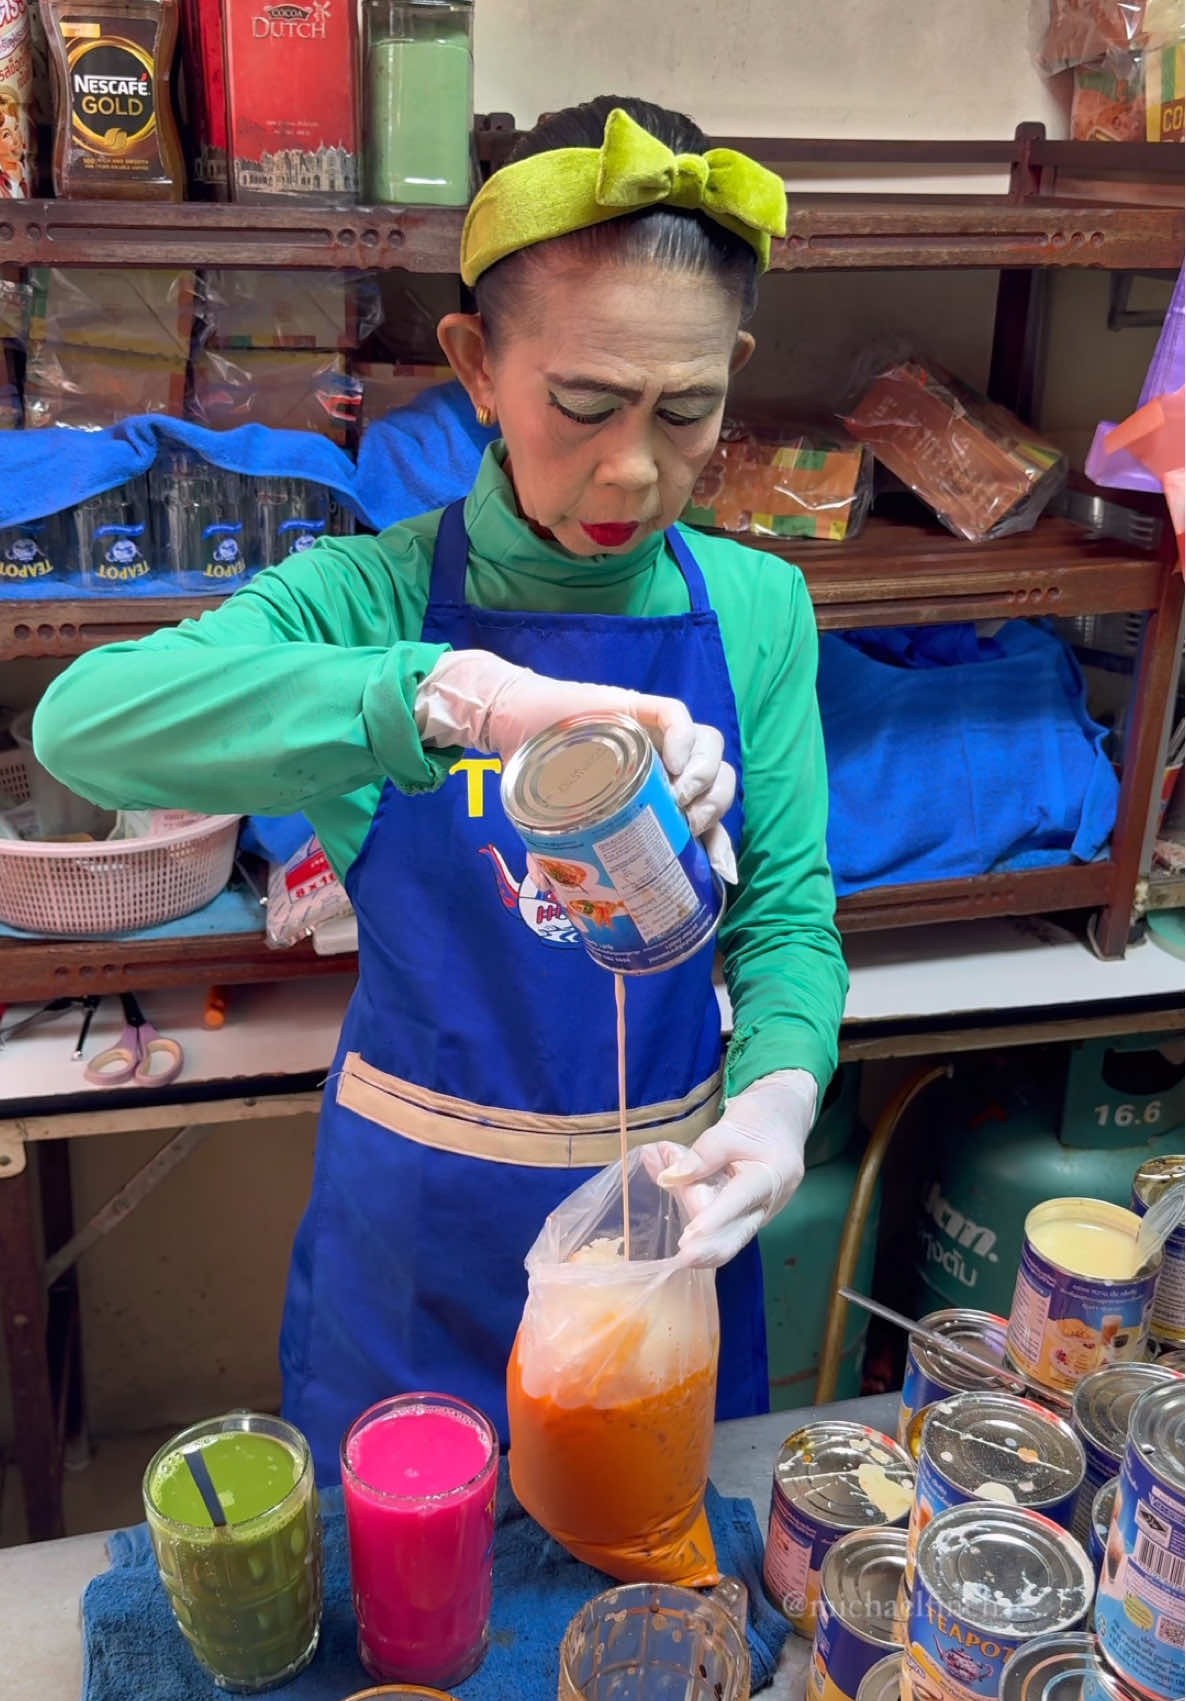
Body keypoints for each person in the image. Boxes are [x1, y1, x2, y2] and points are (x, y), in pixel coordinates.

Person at [34, 95, 848, 1480]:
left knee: (642, 1620)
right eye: (581, 406)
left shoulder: (759, 608)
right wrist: (448, 694)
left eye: (687, 408)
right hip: (419, 1244)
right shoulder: (369, 591)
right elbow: (83, 725)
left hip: (655, 1236)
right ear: (476, 364)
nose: (633, 469)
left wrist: (775, 1096)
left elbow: (785, 919)